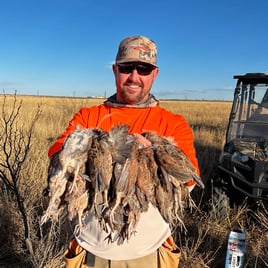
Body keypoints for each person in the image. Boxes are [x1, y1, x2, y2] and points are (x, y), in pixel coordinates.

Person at [48, 35, 200, 268]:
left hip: (147, 254)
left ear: (155, 74)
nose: (134, 76)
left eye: (144, 69)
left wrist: (154, 155)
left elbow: (188, 181)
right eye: (127, 67)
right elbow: (59, 157)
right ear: (115, 70)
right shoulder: (88, 117)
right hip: (91, 252)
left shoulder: (173, 124)